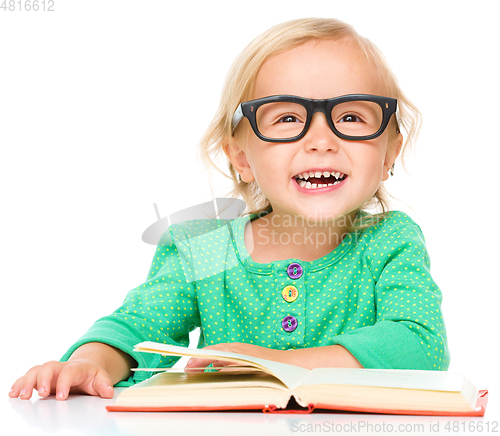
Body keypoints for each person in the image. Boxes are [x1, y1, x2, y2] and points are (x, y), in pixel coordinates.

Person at [9, 17, 450, 401]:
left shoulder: (391, 241)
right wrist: (93, 364)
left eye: (352, 117)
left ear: (390, 151)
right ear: (240, 156)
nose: (322, 140)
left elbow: (419, 344)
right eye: (287, 118)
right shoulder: (203, 249)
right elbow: (138, 326)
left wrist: (279, 362)